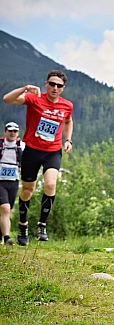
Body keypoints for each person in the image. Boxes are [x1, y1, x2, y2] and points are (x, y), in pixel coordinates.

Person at [3, 70, 74, 245]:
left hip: (52, 151)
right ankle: (23, 224)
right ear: (46, 84)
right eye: (52, 84)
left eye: (59, 85)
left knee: (51, 184)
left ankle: (42, 225)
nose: (55, 88)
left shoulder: (67, 106)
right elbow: (7, 99)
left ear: (63, 88)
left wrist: (68, 140)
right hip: (32, 151)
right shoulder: (34, 99)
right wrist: (25, 88)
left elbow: (68, 121)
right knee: (27, 191)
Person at [0, 122, 24, 246]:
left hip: (14, 181)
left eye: (15, 131)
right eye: (10, 131)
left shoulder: (21, 146)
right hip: (0, 182)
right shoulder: (0, 144)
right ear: (5, 132)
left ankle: (2, 234)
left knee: (8, 211)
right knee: (5, 208)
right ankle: (7, 238)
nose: (12, 133)